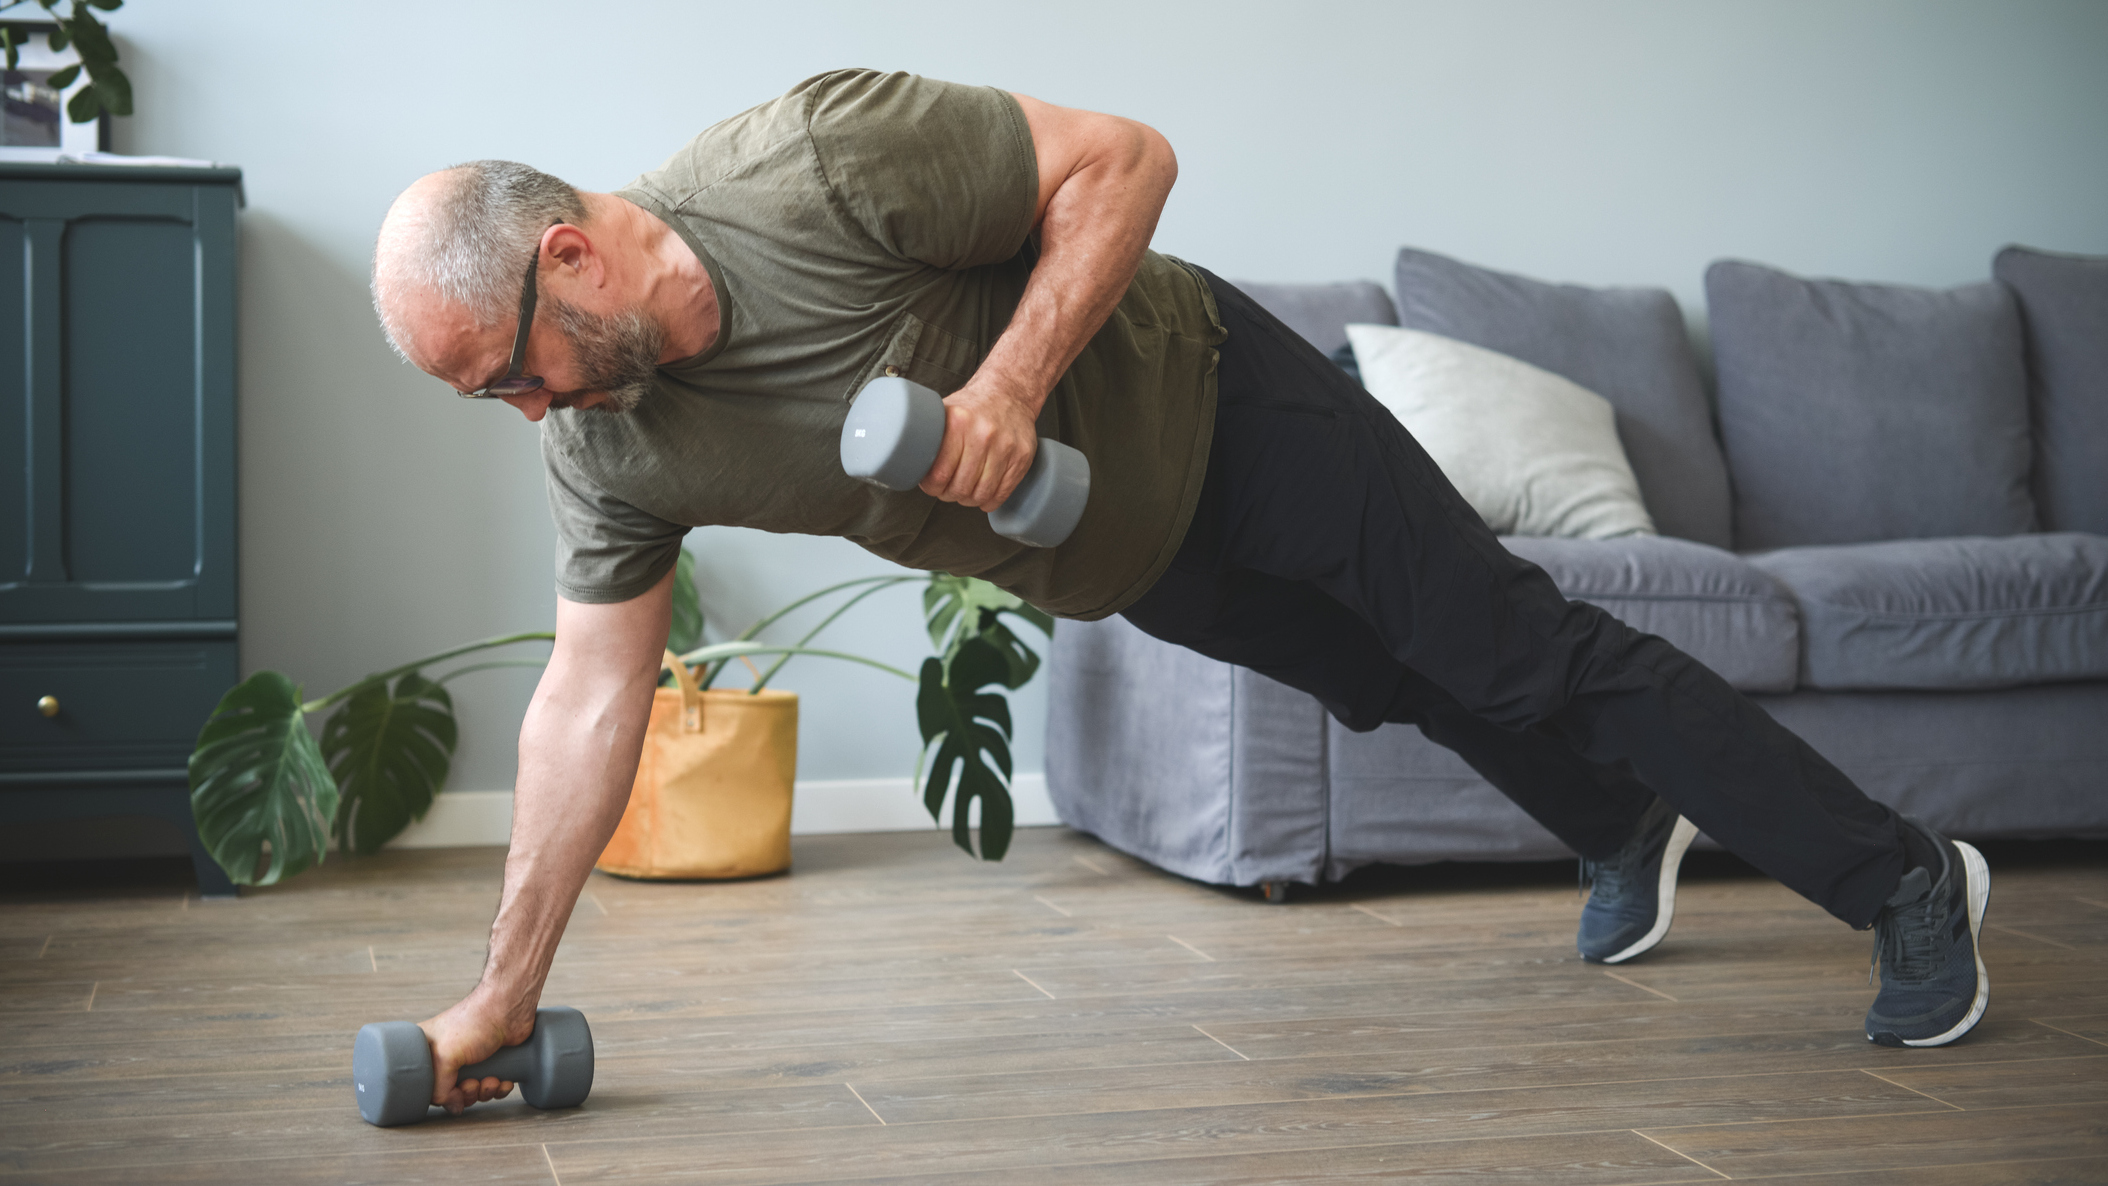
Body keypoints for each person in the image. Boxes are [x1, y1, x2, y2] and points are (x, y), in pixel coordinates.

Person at [370, 69, 1993, 1116]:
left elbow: (1124, 159)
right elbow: (590, 698)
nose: (528, 413)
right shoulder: (610, 446)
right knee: (1409, 680)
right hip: (1126, 551)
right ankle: (1624, 824)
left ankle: (1908, 879)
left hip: (1229, 401)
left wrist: (1005, 384)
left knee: (1522, 646)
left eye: (511, 373)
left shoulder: (814, 160)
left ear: (570, 254)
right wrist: (505, 989)